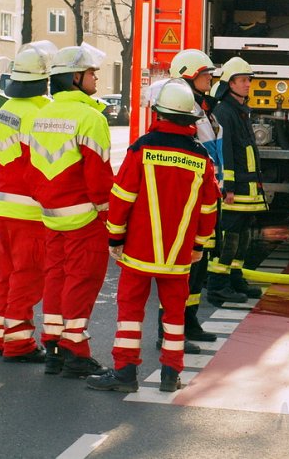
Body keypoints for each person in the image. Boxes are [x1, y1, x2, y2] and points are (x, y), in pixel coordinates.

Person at [87, 79, 220, 393]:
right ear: (190, 119)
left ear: (159, 113)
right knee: (175, 313)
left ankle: (125, 374)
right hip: (179, 256)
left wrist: (115, 238)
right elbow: (208, 207)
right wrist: (199, 244)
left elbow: (121, 197)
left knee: (130, 311)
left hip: (138, 251)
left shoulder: (142, 148)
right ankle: (171, 375)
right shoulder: (201, 158)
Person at [28, 43, 112, 378]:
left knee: (55, 279)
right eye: (92, 73)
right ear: (76, 77)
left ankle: (53, 347)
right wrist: (111, 219)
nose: (96, 78)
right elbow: (99, 176)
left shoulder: (41, 115)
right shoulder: (90, 118)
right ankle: (75, 351)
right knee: (82, 281)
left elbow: (33, 168)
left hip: (51, 214)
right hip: (85, 217)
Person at [153, 49, 224, 353]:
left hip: (205, 197)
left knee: (199, 267)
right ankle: (168, 330)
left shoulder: (204, 107)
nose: (211, 78)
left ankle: (189, 320)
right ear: (189, 76)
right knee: (181, 270)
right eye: (206, 74)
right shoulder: (183, 109)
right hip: (189, 201)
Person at [0, 42, 54, 362]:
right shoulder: (42, 112)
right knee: (28, 277)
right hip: (31, 209)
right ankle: (19, 344)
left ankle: (2, 336)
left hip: (5, 206)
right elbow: (39, 166)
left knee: (8, 274)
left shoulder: (6, 109)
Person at [205, 57, 268, 307]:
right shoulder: (225, 111)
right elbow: (226, 151)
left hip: (247, 185)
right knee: (229, 236)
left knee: (243, 235)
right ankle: (218, 286)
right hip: (235, 187)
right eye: (243, 80)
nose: (248, 84)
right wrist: (227, 186)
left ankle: (234, 277)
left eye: (249, 80)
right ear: (229, 84)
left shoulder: (240, 110)